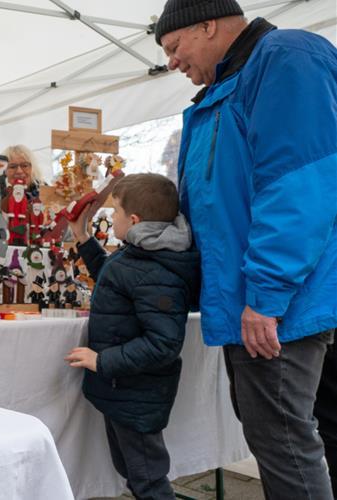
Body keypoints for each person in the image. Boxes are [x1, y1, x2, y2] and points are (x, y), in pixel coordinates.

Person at [156, 1, 337, 498]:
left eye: (174, 47)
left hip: (284, 305)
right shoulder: (225, 88)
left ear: (208, 25)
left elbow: (298, 185)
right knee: (290, 435)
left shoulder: (284, 57)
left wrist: (266, 296)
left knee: (282, 441)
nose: (171, 62)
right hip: (271, 299)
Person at [65, 173, 199, 500]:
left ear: (134, 220)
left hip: (136, 394)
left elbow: (163, 343)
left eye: (116, 213)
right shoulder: (142, 253)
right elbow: (115, 277)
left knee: (148, 480)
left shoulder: (157, 269)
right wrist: (82, 236)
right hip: (124, 391)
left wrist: (102, 360)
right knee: (134, 473)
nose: (112, 219)